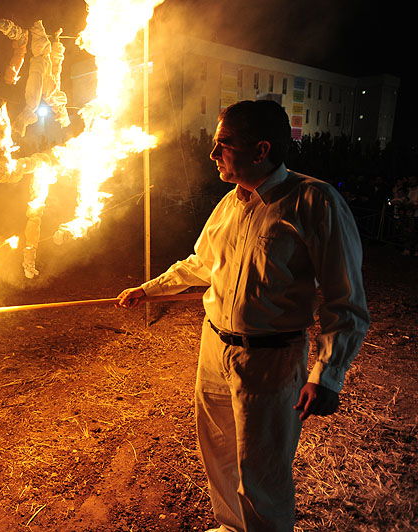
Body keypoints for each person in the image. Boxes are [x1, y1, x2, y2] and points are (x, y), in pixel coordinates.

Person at [117, 100, 369, 532]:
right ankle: (232, 527)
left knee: (262, 472)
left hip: (271, 360)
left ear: (260, 150)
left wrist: (327, 374)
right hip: (214, 348)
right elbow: (200, 263)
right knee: (218, 455)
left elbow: (344, 299)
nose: (213, 154)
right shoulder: (229, 205)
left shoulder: (314, 201)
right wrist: (149, 290)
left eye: (224, 144)